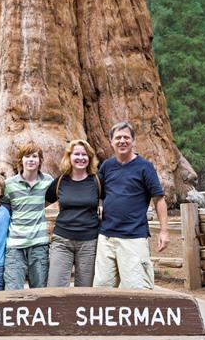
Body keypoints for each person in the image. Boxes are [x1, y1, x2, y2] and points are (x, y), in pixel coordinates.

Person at [93, 121, 169, 289]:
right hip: (106, 237)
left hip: (133, 237)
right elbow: (99, 192)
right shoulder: (107, 166)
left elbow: (159, 199)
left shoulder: (145, 167)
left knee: (136, 289)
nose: (122, 141)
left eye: (126, 137)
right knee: (102, 289)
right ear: (111, 142)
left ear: (133, 141)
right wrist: (100, 205)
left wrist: (164, 231)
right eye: (118, 138)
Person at [45, 139, 102, 287]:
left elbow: (110, 200)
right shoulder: (60, 181)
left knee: (85, 290)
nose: (81, 158)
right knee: (55, 287)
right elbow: (44, 200)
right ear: (69, 157)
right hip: (62, 241)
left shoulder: (97, 180)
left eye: (84, 154)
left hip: (89, 242)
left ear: (90, 158)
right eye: (76, 154)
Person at [2, 141, 54, 289]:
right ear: (21, 160)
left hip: (39, 244)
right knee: (13, 289)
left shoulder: (48, 181)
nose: (31, 159)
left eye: (34, 156)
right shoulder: (9, 185)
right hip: (15, 245)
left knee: (40, 290)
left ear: (40, 160)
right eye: (27, 156)